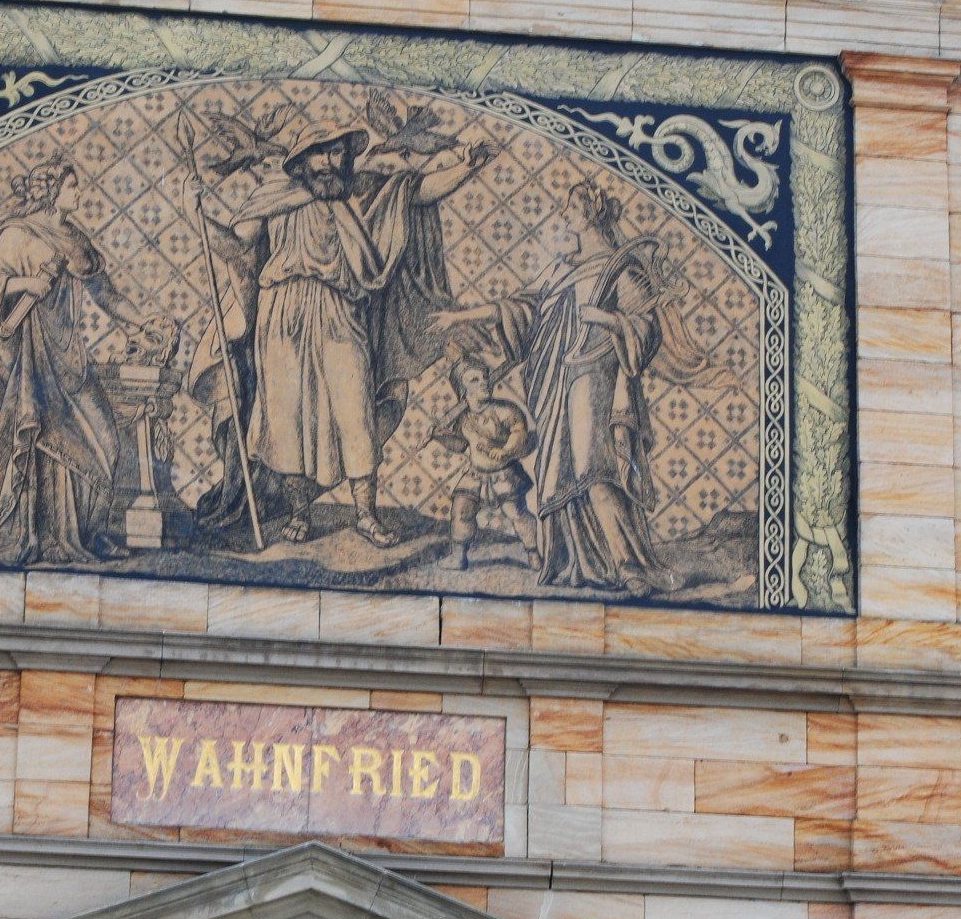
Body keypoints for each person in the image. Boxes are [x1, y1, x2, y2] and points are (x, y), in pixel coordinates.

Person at [189, 121, 496, 547]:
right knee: (286, 421)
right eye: (322, 153)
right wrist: (198, 217)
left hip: (340, 308)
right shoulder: (275, 197)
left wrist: (468, 167)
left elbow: (417, 192)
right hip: (282, 313)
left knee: (355, 415)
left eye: (337, 153)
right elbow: (238, 249)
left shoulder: (359, 194)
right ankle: (299, 513)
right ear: (301, 162)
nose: (331, 162)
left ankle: (366, 515)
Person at [433, 180, 675, 598]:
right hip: (553, 384)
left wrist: (608, 319)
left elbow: (645, 329)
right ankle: (569, 561)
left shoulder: (623, 267)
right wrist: (460, 318)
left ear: (589, 214)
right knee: (558, 473)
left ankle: (629, 564)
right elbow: (521, 308)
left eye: (570, 209)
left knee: (595, 470)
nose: (564, 217)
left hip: (595, 380)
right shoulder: (561, 266)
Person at [0, 159, 142, 565]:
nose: (79, 193)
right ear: (51, 191)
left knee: (107, 442)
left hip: (68, 359)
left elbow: (107, 295)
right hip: (25, 360)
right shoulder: (17, 234)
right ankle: (34, 535)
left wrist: (140, 324)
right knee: (36, 441)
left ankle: (88, 533)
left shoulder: (76, 241)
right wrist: (26, 283)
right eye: (72, 186)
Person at [431, 351, 538, 570]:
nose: (484, 383)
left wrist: (506, 450)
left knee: (515, 513)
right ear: (464, 390)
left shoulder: (504, 410)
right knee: (461, 511)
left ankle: (534, 554)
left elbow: (519, 432)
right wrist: (441, 436)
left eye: (485, 378)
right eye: (475, 380)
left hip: (504, 472)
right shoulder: (463, 418)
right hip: (475, 473)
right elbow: (461, 445)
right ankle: (458, 557)